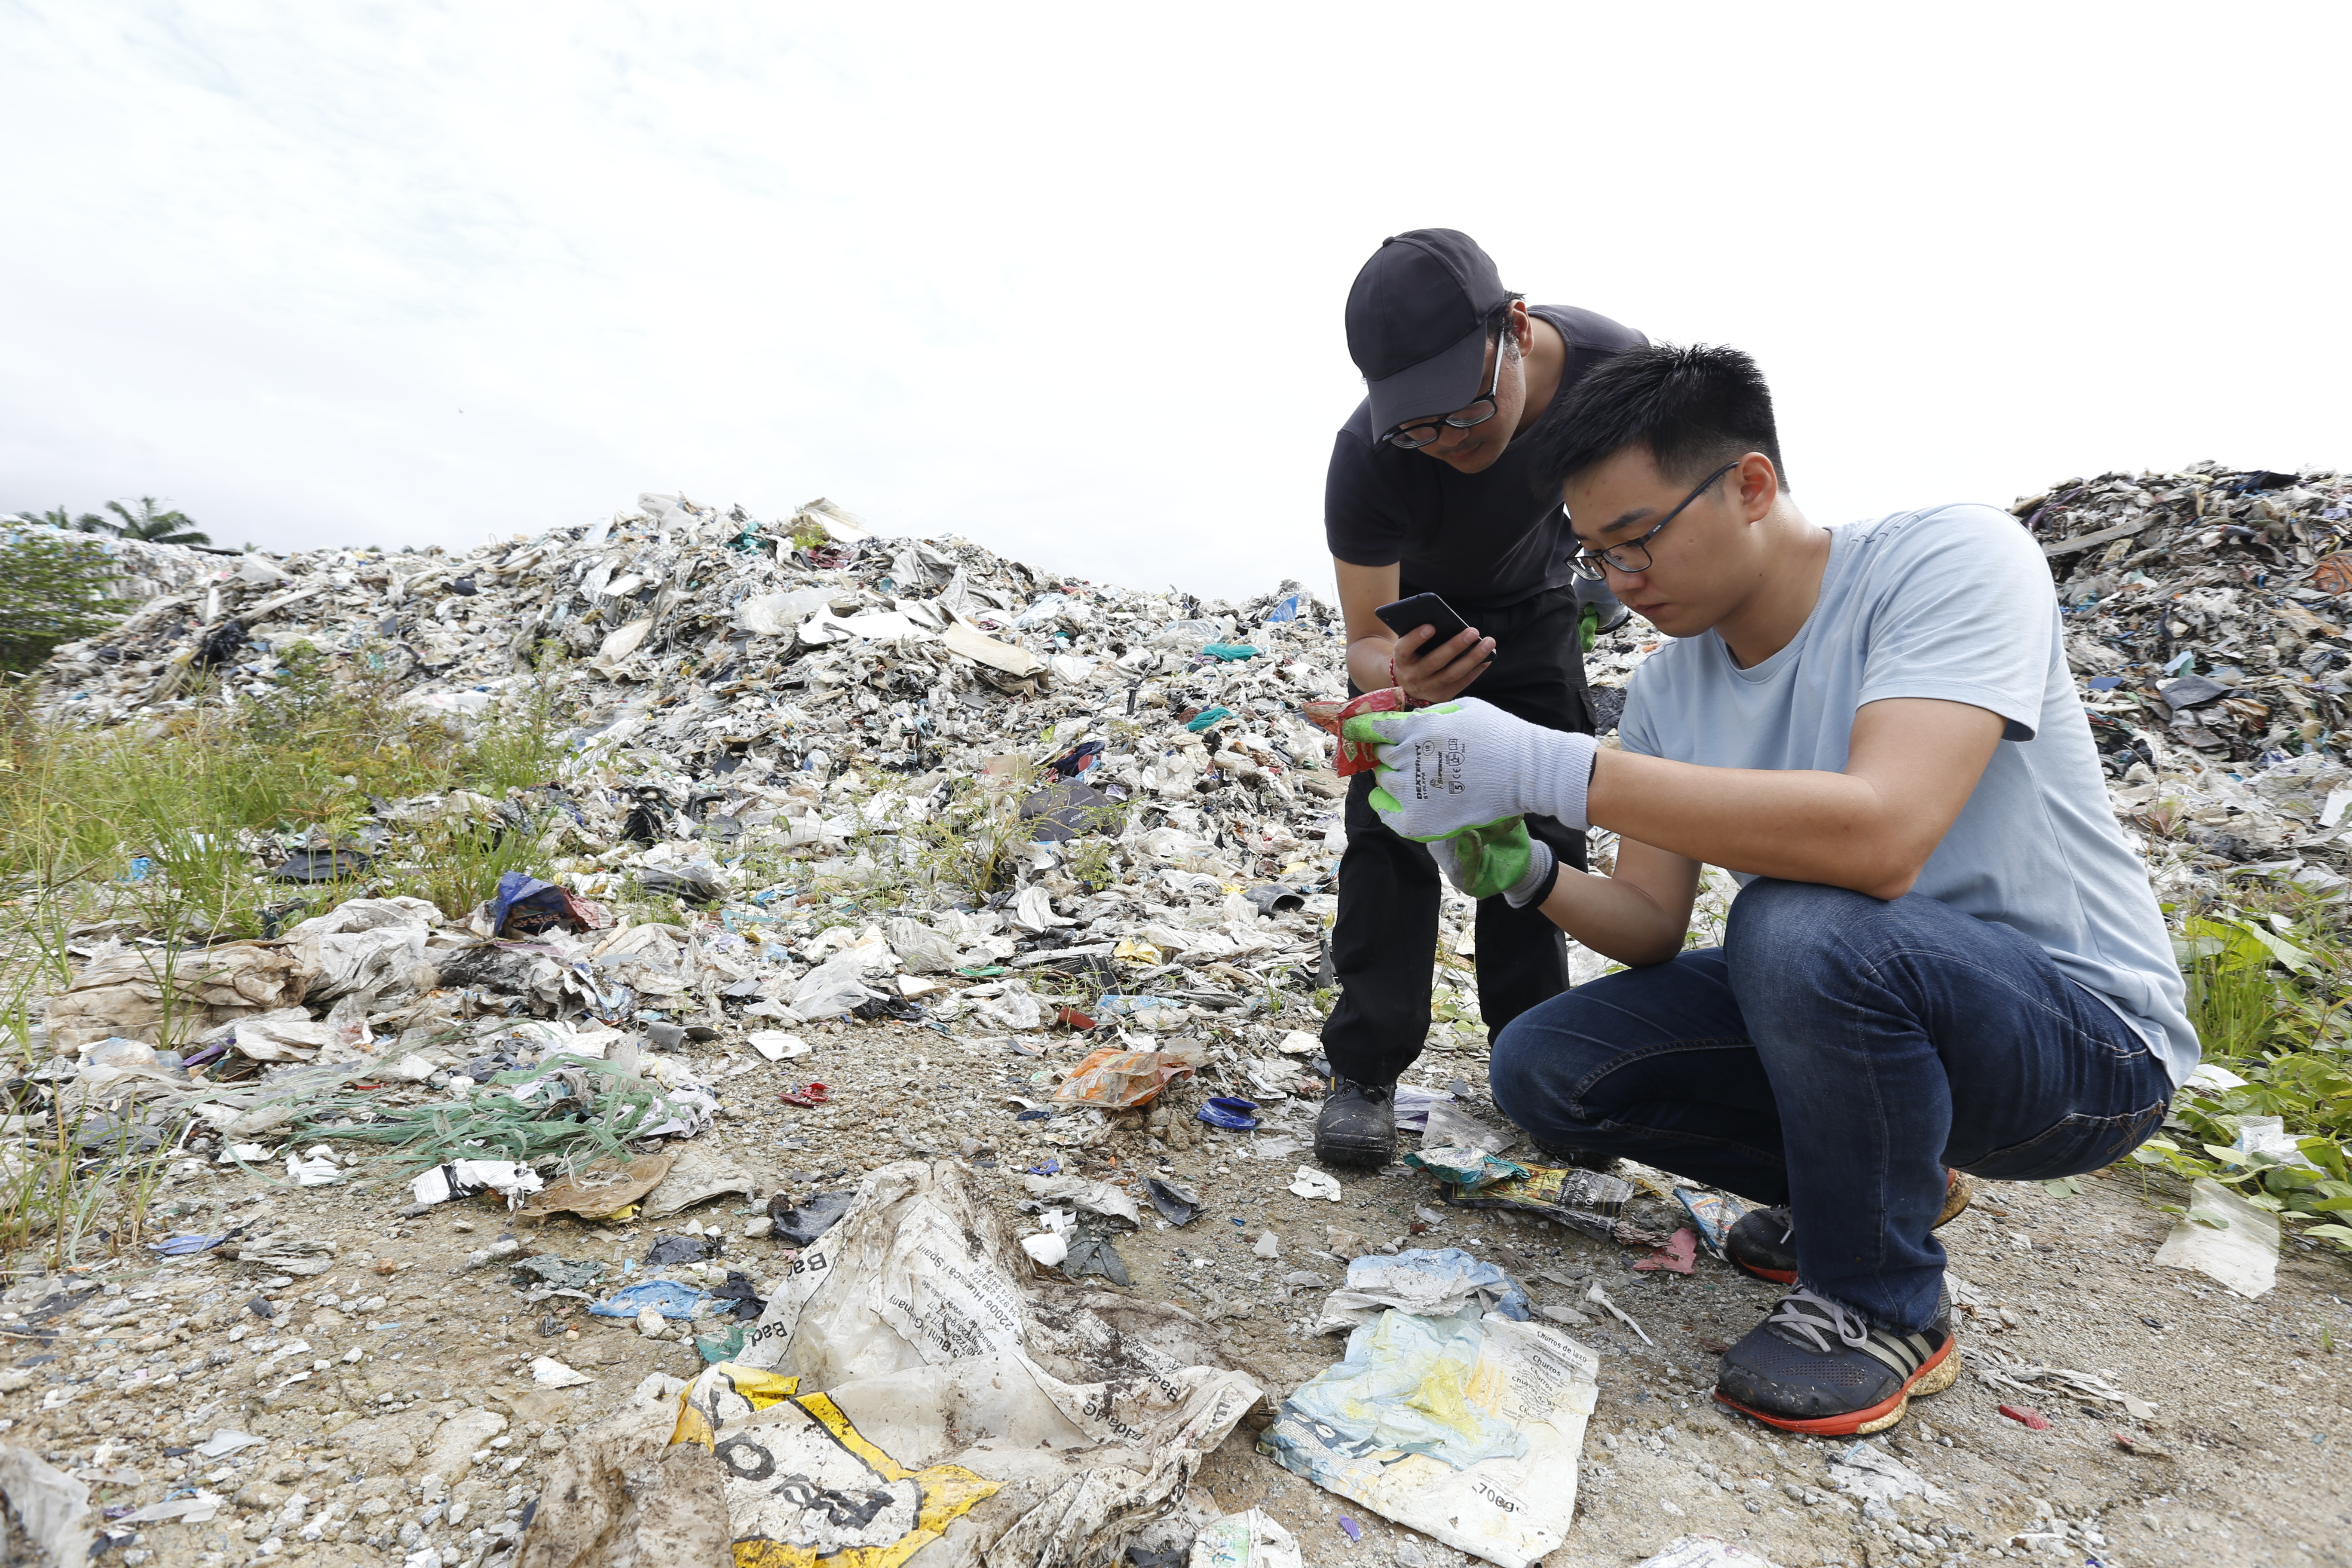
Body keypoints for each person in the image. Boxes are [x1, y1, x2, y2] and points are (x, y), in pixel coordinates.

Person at [1340, 344, 2193, 1437]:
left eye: (1639, 539)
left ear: (1750, 485)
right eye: (1596, 555)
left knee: (1795, 920)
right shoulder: (1669, 684)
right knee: (1546, 1065)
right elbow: (1648, 927)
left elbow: (1883, 836)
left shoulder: (1951, 561)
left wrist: (1556, 768)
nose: (1623, 582)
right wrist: (1519, 865)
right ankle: (1879, 1189)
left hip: (2081, 1046)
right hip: (1865, 999)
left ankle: (1880, 1305)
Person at [1314, 227, 1646, 1169]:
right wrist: (1400, 682)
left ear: (1515, 327)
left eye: (1461, 413)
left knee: (1546, 821)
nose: (1445, 444)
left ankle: (1536, 1068)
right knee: (1392, 827)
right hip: (1417, 630)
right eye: (1416, 427)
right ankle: (1365, 1070)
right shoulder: (1370, 458)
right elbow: (1365, 638)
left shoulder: (1616, 372)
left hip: (1537, 611)